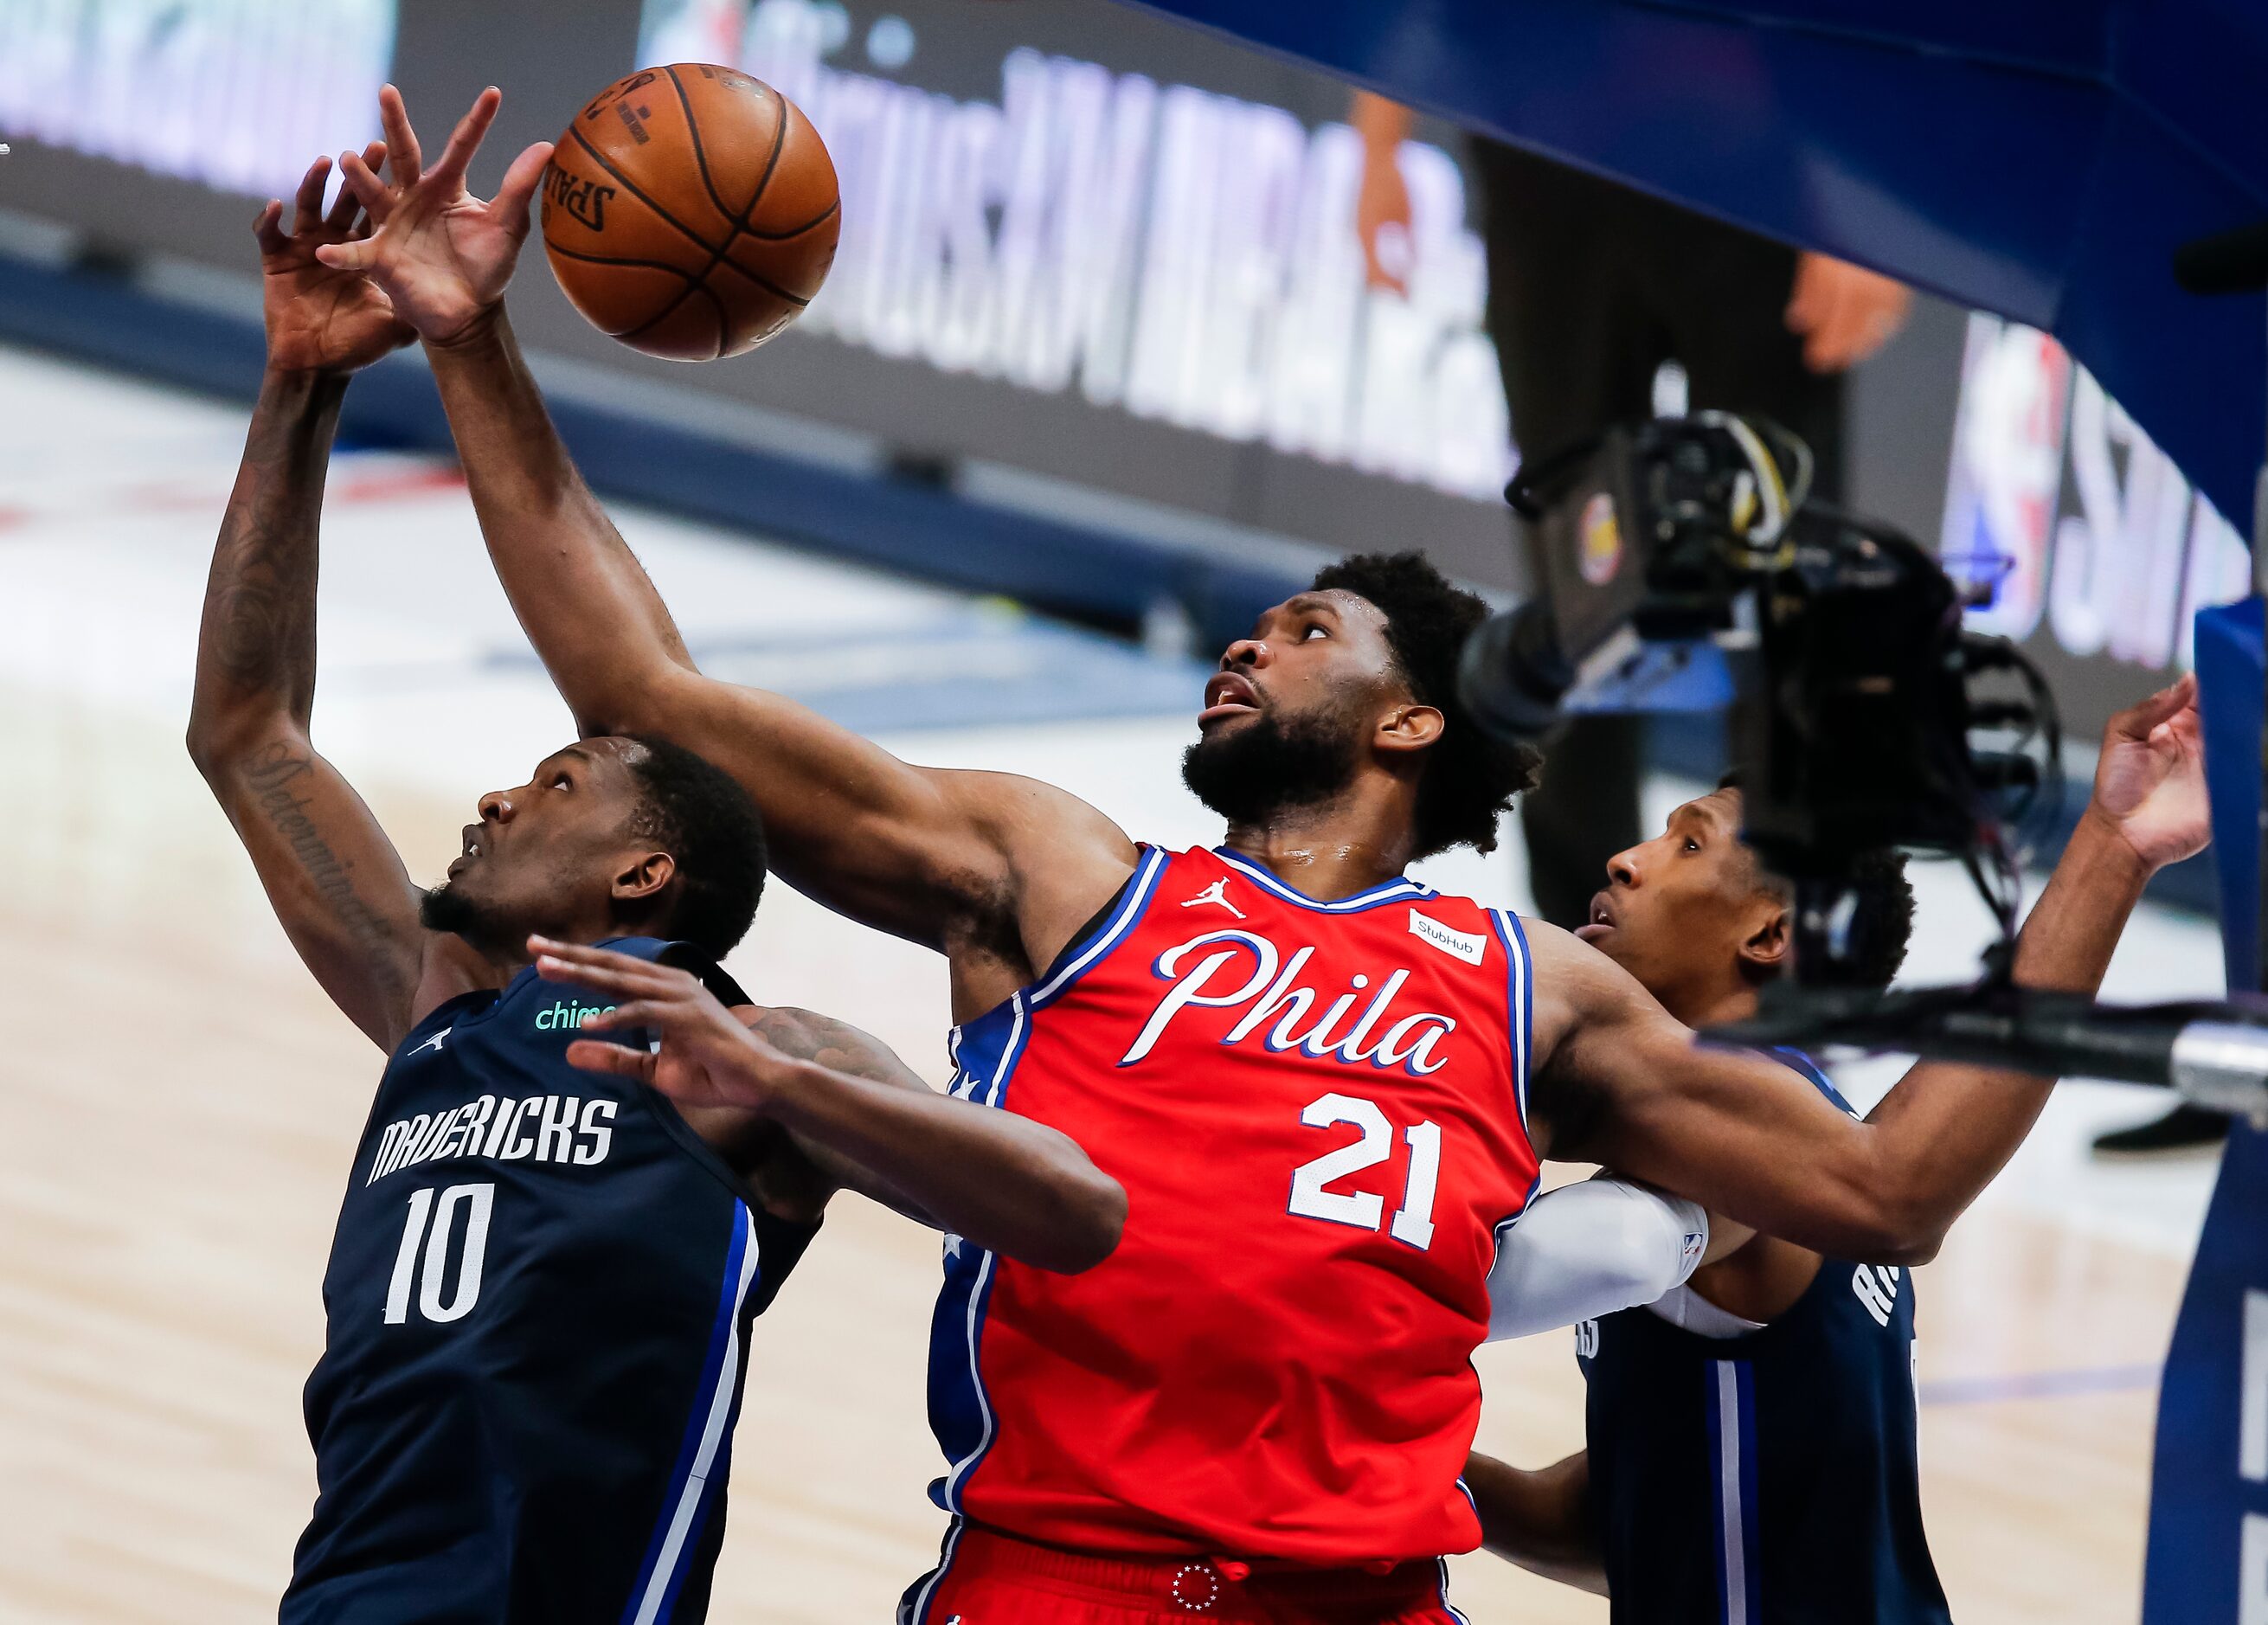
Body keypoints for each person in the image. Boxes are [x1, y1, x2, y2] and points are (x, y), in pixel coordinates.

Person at [320, 85, 2198, 1625]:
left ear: (1404, 724)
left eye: (1303, 631)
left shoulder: (1526, 982)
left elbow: (1880, 1195)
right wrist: (468, 335)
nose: (1245, 642)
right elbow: (643, 687)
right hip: (1051, 1586)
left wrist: (2101, 853)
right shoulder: (1054, 874)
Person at [190, 151, 1124, 1625]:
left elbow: (1073, 1204)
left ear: (645, 869)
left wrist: (785, 1081)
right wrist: (301, 380)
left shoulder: (759, 1060)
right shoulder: (437, 1011)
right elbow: (248, 733)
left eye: (556, 783)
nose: (500, 794)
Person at [1462, 699, 2207, 1622]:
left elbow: (1487, 1272)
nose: (1624, 859)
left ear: (1768, 937)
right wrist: (1404, 1470)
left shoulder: (1738, 1156)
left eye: (1686, 846)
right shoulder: (1801, 1130)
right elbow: (1635, 1520)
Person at [1352, 93, 1912, 932]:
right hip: (1548, 138)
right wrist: (1377, 144)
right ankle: (1583, 930)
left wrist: (1870, 209)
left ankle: (1776, 935)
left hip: (1759, 156)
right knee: (1577, 585)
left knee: (1783, 590)